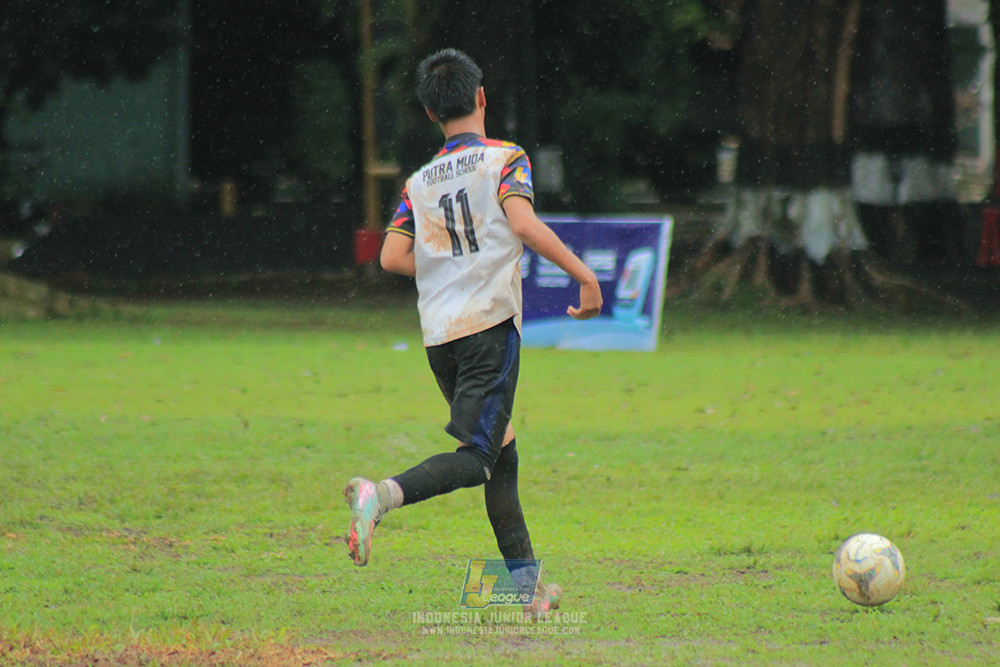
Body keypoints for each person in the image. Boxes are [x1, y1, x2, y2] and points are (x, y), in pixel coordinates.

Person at [344, 48, 602, 617]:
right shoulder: (505, 159)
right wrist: (584, 276)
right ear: (481, 97)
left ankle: (528, 590)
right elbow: (524, 224)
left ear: (430, 113)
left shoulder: (420, 181)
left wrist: (448, 267)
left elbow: (391, 256)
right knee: (481, 457)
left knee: (501, 452)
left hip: (441, 337)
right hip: (488, 328)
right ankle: (381, 494)